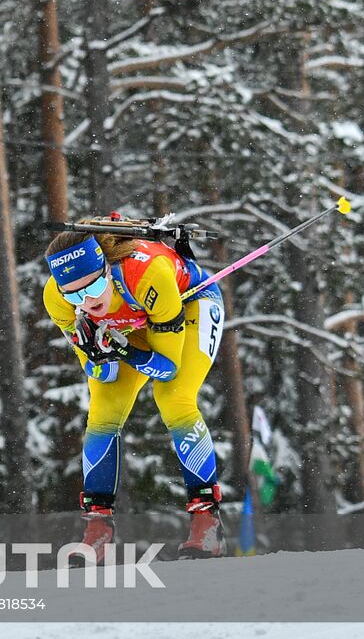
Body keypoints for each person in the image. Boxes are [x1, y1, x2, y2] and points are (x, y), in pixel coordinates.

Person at [43, 217, 227, 559]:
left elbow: (167, 368)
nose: (88, 301)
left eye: (94, 288)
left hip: (187, 305)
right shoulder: (56, 299)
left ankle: (207, 522)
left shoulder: (148, 275)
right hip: (128, 324)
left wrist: (124, 349)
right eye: (76, 295)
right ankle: (97, 529)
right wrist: (97, 353)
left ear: (107, 270)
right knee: (103, 412)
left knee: (174, 399)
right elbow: (101, 371)